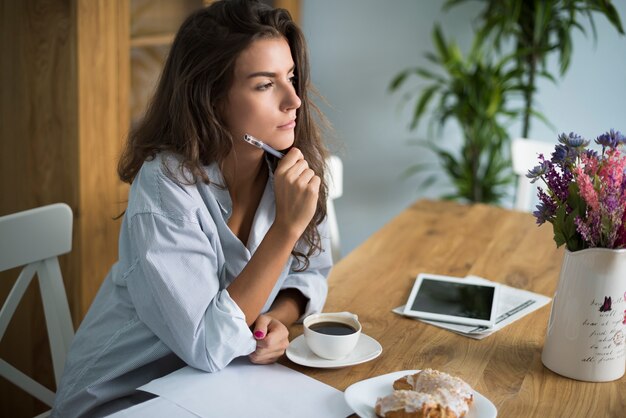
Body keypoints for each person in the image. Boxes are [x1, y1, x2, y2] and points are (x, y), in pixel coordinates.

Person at [51, 1, 332, 416]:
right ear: (212, 98)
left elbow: (311, 271)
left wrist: (275, 316)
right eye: (264, 84)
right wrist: (284, 231)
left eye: (290, 77)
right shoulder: (165, 187)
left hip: (216, 390)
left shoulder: (288, 169)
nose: (293, 100)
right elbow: (208, 344)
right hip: (125, 398)